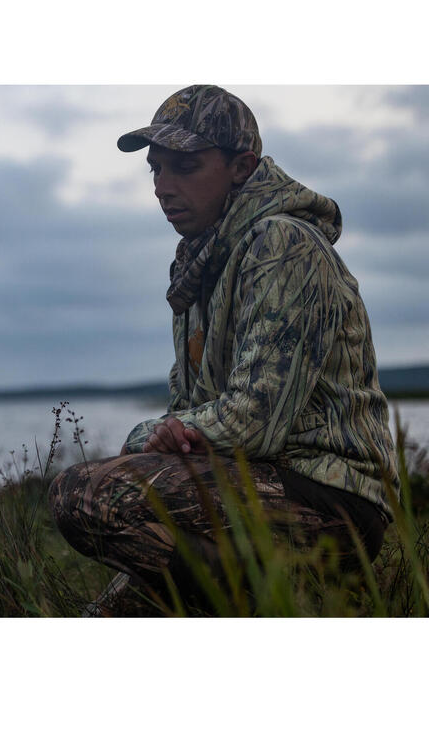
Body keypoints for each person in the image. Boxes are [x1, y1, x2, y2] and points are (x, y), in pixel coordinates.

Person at [48, 85, 399, 615]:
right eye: (156, 169)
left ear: (242, 167)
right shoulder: (200, 262)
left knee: (87, 495)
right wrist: (172, 431)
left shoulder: (282, 244)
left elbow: (254, 422)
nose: (163, 187)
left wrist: (148, 436)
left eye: (184, 166)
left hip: (330, 500)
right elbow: (188, 409)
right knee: (108, 618)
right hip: (251, 484)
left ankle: (273, 609)